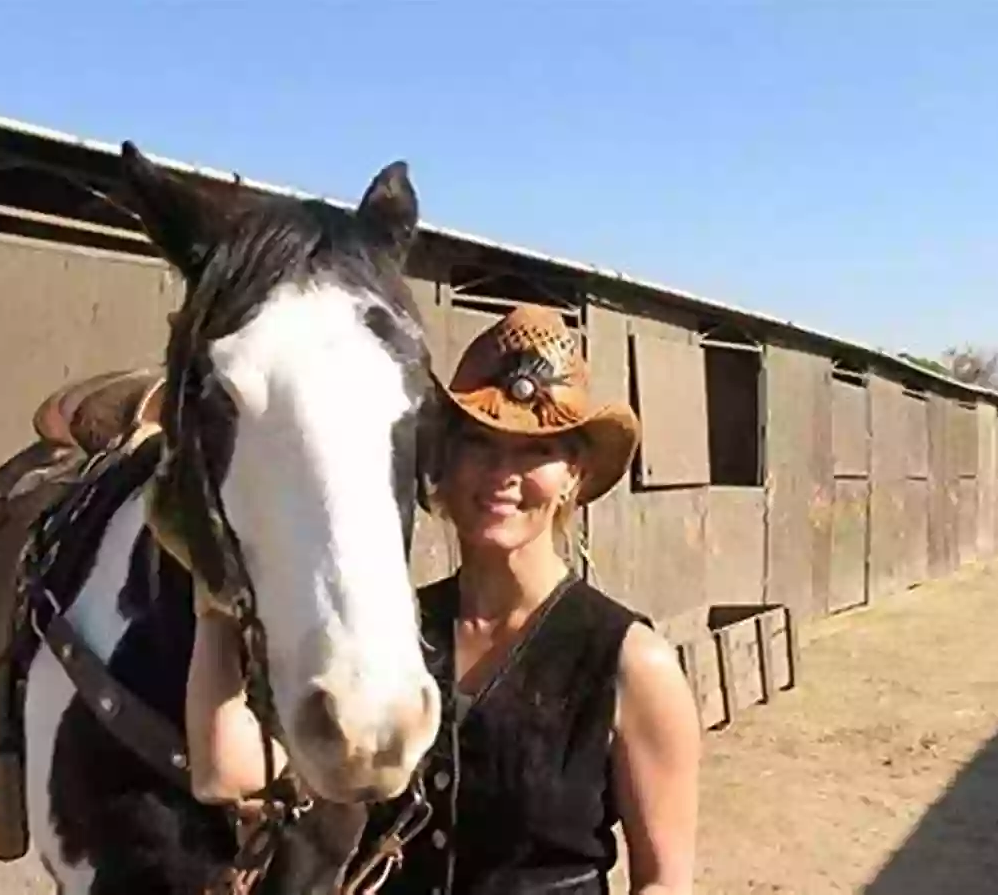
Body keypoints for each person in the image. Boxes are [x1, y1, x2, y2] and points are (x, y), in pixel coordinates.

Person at [183, 305, 702, 895]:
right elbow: (230, 772)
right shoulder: (388, 638)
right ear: (444, 464)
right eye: (480, 442)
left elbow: (664, 883)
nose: (503, 473)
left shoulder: (632, 663)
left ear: (573, 476)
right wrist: (213, 594)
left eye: (535, 451)